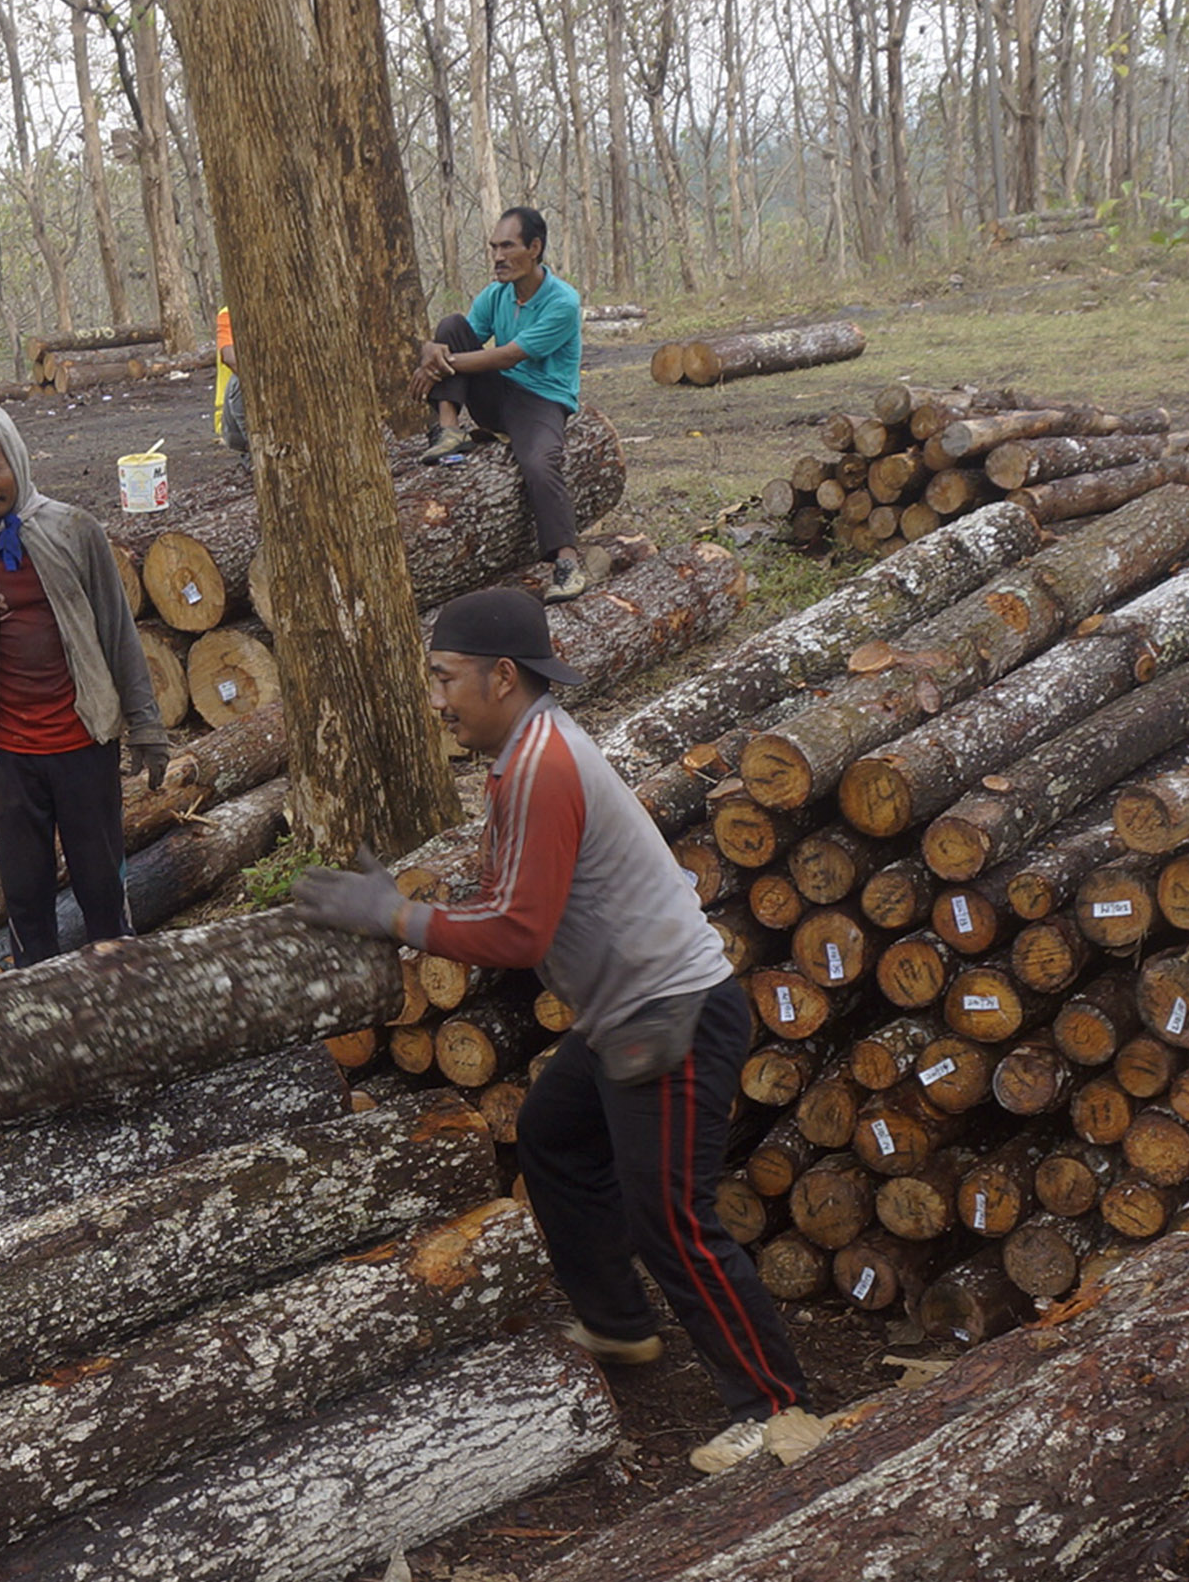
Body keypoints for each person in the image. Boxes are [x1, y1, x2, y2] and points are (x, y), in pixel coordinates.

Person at [293, 586, 823, 1475]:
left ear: (504, 677)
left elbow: (516, 935)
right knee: (552, 1133)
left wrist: (394, 917)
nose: (436, 698)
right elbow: (512, 904)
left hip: (674, 1012)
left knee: (674, 1220)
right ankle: (621, 1324)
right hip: (631, 1012)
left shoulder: (543, 765)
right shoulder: (526, 755)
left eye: (445, 677)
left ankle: (777, 1409)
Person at [0, 398, 170, 968]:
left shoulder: (73, 531)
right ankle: (36, 1006)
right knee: (26, 892)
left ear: (17, 459)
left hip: (84, 742)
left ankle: (116, 994)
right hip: (9, 753)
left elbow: (117, 633)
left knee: (101, 884)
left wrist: (146, 726)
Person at [414, 207, 591, 601]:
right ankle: (448, 431)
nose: (497, 256)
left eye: (507, 246)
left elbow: (509, 355)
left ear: (535, 247)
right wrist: (434, 350)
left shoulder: (562, 301)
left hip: (542, 400)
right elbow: (462, 341)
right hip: (498, 396)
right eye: (494, 246)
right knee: (450, 327)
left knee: (539, 463)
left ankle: (566, 563)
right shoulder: (496, 294)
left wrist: (437, 362)